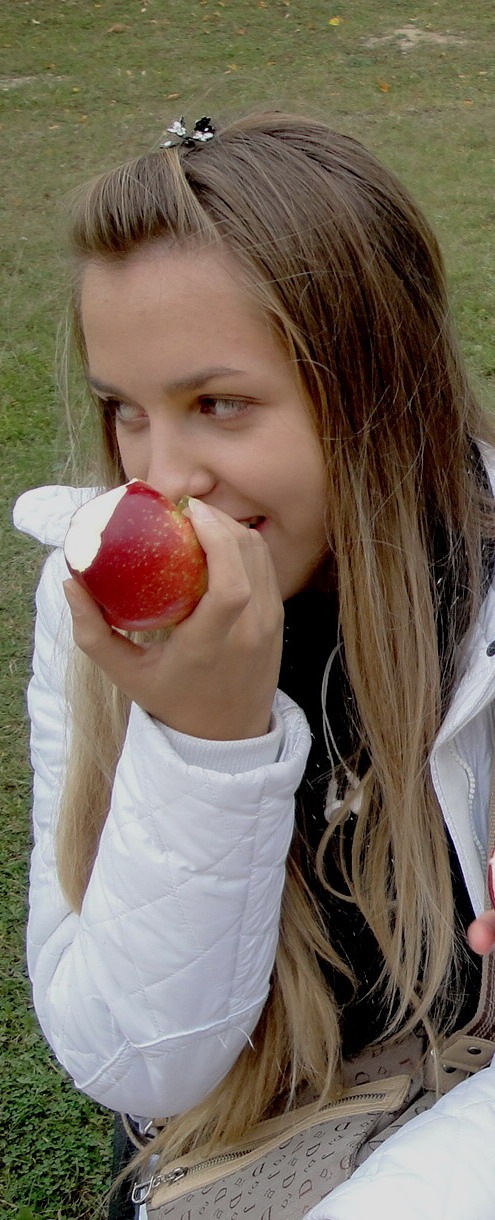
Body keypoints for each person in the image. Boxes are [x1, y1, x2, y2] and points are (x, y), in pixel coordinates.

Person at [13, 110, 495, 1219]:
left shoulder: (478, 594)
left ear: (381, 392)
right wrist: (203, 740)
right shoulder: (90, 607)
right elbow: (131, 1059)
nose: (161, 480)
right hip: (234, 1142)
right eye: (124, 410)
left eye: (217, 404)